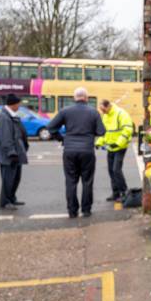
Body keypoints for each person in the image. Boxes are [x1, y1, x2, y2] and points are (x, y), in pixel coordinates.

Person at [47, 87, 105, 218]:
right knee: (87, 181)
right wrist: (90, 133)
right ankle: (86, 210)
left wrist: (61, 139)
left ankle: (72, 211)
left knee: (71, 181)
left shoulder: (66, 111)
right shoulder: (93, 112)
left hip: (69, 150)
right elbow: (101, 131)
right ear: (87, 98)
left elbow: (51, 127)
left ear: (74, 98)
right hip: (87, 150)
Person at [0, 93, 29, 210]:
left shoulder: (11, 115)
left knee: (16, 178)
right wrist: (11, 153)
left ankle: (12, 198)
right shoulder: (4, 117)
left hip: (16, 153)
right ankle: (5, 202)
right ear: (13, 104)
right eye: (18, 103)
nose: (19, 106)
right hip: (9, 155)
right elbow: (6, 138)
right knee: (8, 179)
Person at [95, 100, 134, 202]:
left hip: (120, 147)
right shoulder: (106, 116)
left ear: (108, 106)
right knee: (111, 170)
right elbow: (105, 132)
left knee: (116, 170)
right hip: (110, 147)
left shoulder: (121, 114)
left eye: (103, 109)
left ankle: (124, 192)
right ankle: (115, 193)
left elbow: (128, 129)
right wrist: (99, 142)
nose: (103, 112)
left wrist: (118, 143)